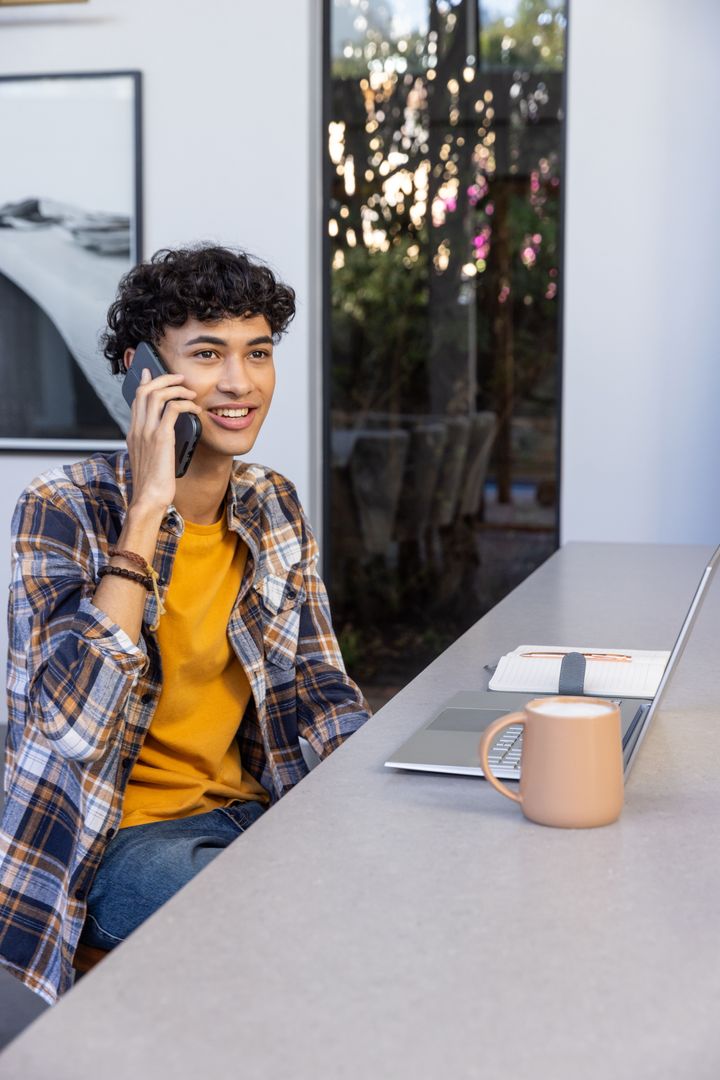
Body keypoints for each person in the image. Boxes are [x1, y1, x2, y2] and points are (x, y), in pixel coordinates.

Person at [0, 245, 370, 1004]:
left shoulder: (273, 503)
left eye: (257, 352)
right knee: (281, 933)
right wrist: (146, 511)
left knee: (374, 894)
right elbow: (73, 727)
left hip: (250, 812)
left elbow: (317, 686)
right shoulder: (62, 507)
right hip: (114, 844)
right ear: (143, 374)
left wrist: (381, 786)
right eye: (207, 354)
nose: (240, 382)